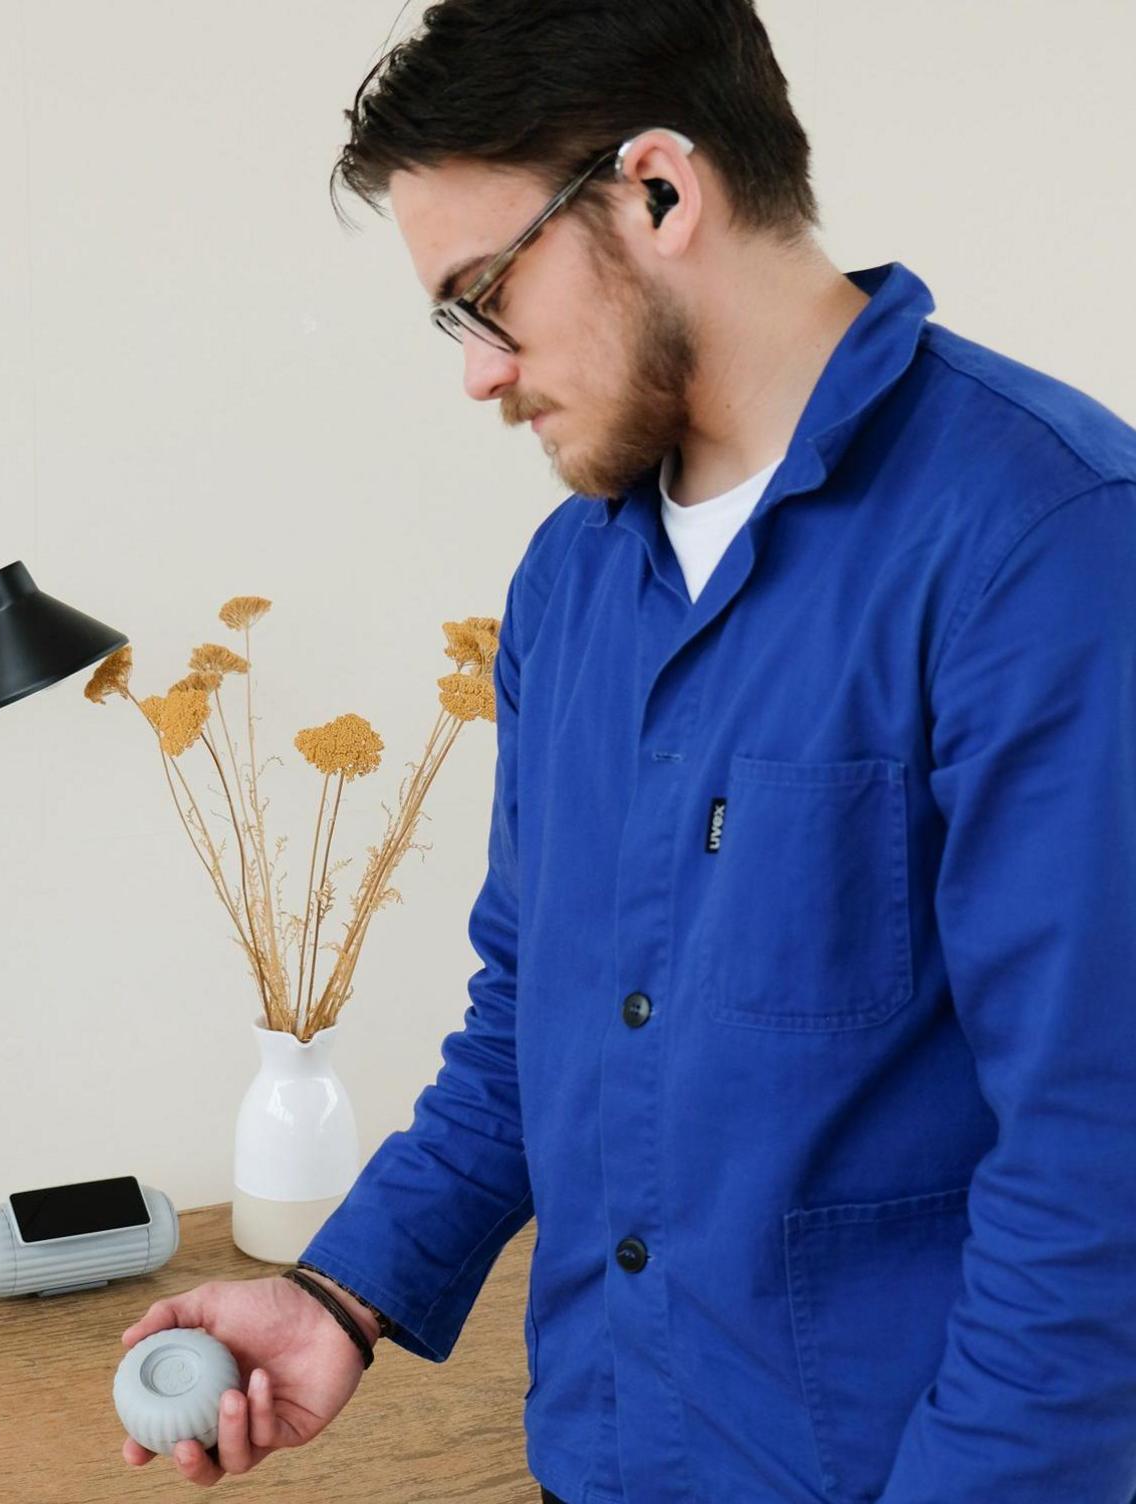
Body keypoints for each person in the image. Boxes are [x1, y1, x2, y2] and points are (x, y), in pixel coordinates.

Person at [120, 2, 1136, 1498]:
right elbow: (536, 1014)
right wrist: (345, 1294)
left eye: (483, 298)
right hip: (598, 1459)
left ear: (659, 190)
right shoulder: (568, 584)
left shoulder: (1047, 544)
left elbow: (1097, 1169)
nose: (477, 374)